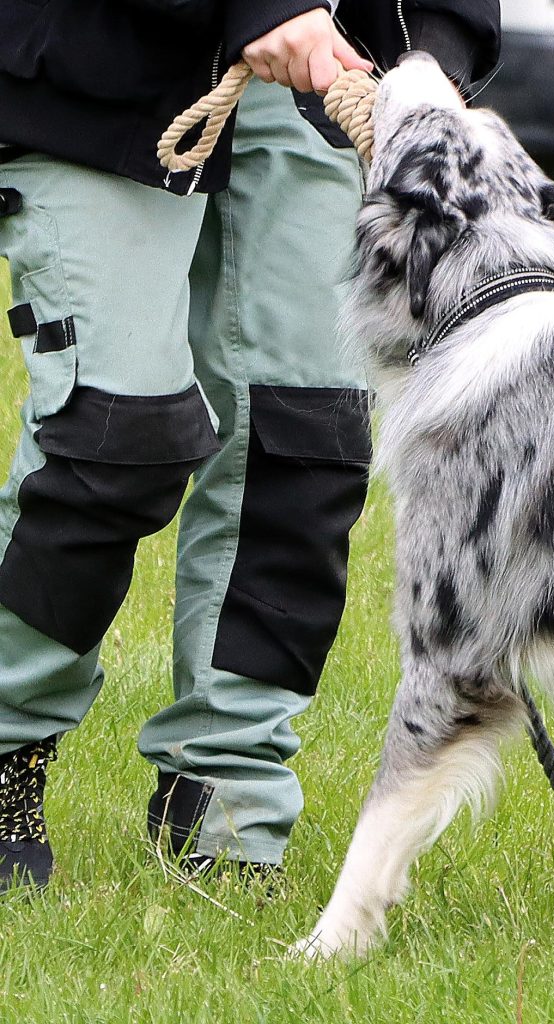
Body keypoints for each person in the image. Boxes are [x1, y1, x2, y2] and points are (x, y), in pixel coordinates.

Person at [0, 0, 498, 890]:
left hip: (319, 71)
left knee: (306, 437)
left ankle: (230, 801)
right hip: (95, 55)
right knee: (115, 439)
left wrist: (431, 48)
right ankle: (6, 743)